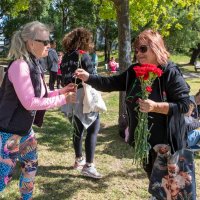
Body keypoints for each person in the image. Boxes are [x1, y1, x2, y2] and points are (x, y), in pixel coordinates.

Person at [75, 29, 191, 197]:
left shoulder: (170, 72)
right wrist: (88, 77)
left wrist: (156, 107)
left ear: (156, 47)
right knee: (155, 184)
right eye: (136, 49)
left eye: (143, 49)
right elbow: (110, 83)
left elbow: (185, 106)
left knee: (171, 191)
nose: (138, 53)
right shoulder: (134, 71)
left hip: (167, 146)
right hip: (144, 144)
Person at [0, 21, 77, 200]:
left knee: (31, 166)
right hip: (8, 134)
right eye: (45, 41)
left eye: (49, 40)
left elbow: (41, 94)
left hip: (25, 132)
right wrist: (63, 99)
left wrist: (61, 91)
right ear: (30, 42)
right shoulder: (20, 66)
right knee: (3, 177)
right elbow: (29, 102)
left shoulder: (34, 63)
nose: (49, 45)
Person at [60, 27, 102, 179]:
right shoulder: (83, 56)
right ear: (83, 40)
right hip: (83, 96)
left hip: (69, 96)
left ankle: (79, 160)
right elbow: (93, 77)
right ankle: (89, 165)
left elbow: (63, 78)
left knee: (77, 130)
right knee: (93, 128)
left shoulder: (65, 58)